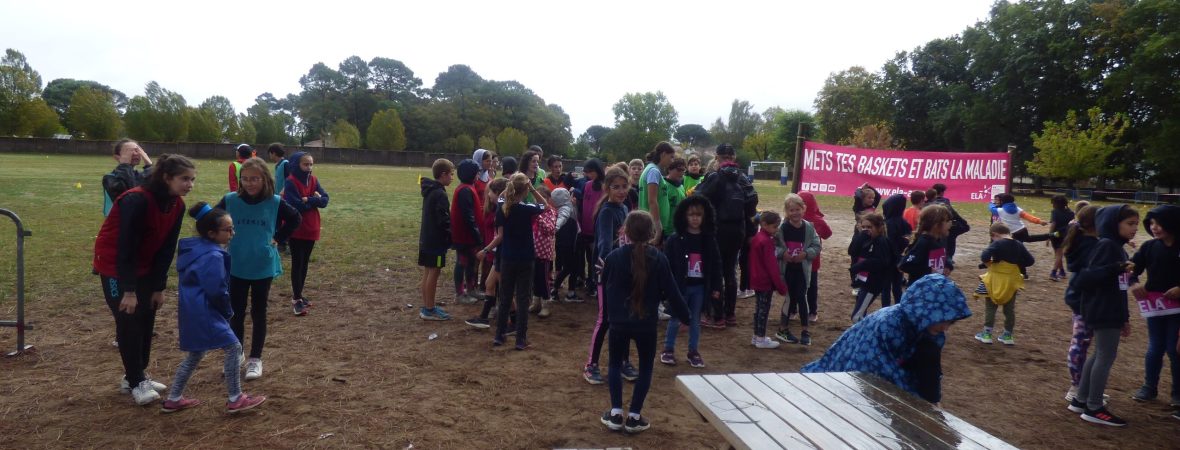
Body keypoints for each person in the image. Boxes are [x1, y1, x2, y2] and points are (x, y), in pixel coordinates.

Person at [93, 154, 194, 405]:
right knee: (129, 320)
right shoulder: (136, 200)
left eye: (192, 179)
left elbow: (167, 248)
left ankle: (136, 376)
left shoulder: (177, 205)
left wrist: (159, 287)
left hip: (146, 266)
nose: (190, 185)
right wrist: (129, 291)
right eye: (184, 179)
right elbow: (126, 247)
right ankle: (137, 380)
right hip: (115, 266)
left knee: (147, 315)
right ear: (166, 177)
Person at [802, 274, 972, 405]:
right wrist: (917, 404)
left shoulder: (929, 330)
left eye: (950, 322)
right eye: (943, 320)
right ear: (927, 311)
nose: (945, 327)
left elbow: (929, 371)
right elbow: (876, 373)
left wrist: (932, 400)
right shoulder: (890, 325)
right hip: (852, 368)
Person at [162, 203, 266, 414]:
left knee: (196, 354)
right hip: (206, 312)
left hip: (192, 310)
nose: (232, 233)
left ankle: (173, 398)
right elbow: (217, 290)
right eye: (228, 230)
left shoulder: (196, 249)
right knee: (234, 348)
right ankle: (236, 398)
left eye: (232, 228)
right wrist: (227, 311)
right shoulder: (213, 256)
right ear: (211, 233)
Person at [599, 211, 690, 434]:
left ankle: (616, 412)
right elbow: (672, 292)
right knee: (646, 368)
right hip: (646, 323)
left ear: (626, 231)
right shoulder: (659, 259)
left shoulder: (613, 257)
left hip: (619, 322)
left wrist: (608, 316)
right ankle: (634, 416)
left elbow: (603, 286)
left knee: (614, 364)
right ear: (652, 233)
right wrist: (687, 317)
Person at [214, 157, 300, 381]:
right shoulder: (230, 200)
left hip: (262, 265)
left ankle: (255, 359)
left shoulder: (274, 202)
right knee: (236, 312)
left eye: (255, 179)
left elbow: (295, 218)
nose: (249, 183)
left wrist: (278, 238)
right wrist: (220, 237)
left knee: (259, 311)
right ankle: (236, 354)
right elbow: (211, 219)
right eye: (245, 179)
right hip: (237, 264)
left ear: (264, 179)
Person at [1068, 204, 1139, 426]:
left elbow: (1120, 286)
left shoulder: (1116, 247)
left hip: (1108, 308)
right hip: (1104, 308)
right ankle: (1094, 407)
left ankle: (1081, 399)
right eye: (1130, 223)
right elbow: (1085, 278)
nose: (1134, 228)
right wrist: (1116, 267)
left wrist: (1124, 317)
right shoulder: (1108, 246)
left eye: (1136, 224)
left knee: (1099, 353)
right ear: (1113, 223)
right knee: (1105, 356)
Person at [694, 143, 757, 329]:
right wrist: (749, 230)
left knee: (715, 271)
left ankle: (716, 315)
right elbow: (752, 204)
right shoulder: (742, 178)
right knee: (730, 271)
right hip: (738, 231)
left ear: (717, 157)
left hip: (717, 230)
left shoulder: (714, 176)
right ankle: (730, 314)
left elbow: (697, 197)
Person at [584, 167, 637, 384]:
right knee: (605, 319)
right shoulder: (606, 212)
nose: (621, 191)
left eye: (624, 186)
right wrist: (607, 269)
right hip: (606, 272)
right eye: (616, 187)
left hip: (624, 271)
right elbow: (605, 245)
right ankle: (591, 365)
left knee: (624, 319)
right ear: (607, 188)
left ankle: (623, 361)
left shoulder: (624, 208)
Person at [1128, 205, 1180, 405]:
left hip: (1177, 309)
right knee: (1155, 347)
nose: (1154, 227)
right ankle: (1149, 387)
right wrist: (1134, 283)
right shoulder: (1149, 247)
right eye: (1151, 223)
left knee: (1174, 349)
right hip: (1155, 308)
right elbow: (1131, 269)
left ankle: (1177, 393)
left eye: (1159, 223)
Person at [660, 196, 721, 367]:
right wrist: (666, 288)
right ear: (683, 216)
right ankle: (668, 349)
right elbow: (667, 264)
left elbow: (716, 264)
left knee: (695, 321)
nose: (695, 218)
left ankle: (693, 351)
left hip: (700, 287)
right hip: (679, 287)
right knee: (675, 318)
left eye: (699, 215)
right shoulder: (675, 239)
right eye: (691, 215)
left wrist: (716, 287)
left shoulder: (709, 239)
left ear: (705, 216)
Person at [494, 173, 550, 350]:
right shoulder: (527, 209)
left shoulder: (503, 207)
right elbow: (545, 205)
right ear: (526, 189)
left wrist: (510, 185)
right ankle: (520, 339)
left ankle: (499, 335)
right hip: (525, 258)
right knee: (523, 298)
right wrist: (533, 189)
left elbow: (501, 197)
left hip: (507, 257)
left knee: (505, 297)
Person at [283, 152, 329, 316]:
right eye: (305, 164)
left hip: (312, 227)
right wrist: (314, 200)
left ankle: (300, 294)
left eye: (311, 164)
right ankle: (296, 299)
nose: (309, 167)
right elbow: (295, 205)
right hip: (297, 228)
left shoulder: (314, 180)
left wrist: (308, 199)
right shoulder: (290, 182)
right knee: (297, 263)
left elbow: (325, 200)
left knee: (305, 263)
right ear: (297, 164)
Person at [973, 223, 1035, 345]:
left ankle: (987, 334)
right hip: (1012, 280)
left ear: (994, 234)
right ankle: (1008, 336)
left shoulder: (997, 243)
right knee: (1009, 309)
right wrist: (1015, 264)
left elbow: (984, 256)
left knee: (991, 306)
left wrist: (989, 263)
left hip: (995, 279)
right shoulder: (1018, 244)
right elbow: (1030, 261)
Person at [1063, 205, 1101, 403]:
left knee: (1081, 342)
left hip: (1079, 298)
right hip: (1084, 300)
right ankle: (1077, 387)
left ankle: (1082, 385)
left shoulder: (1081, 240)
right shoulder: (1091, 245)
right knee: (1080, 343)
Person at [775, 194, 820, 345]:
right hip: (787, 270)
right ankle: (783, 329)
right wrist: (782, 254)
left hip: (802, 270)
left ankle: (805, 331)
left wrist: (806, 254)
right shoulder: (782, 228)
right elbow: (774, 246)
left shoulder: (809, 228)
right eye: (791, 210)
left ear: (803, 209)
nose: (795, 213)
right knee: (789, 298)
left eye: (797, 209)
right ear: (786, 212)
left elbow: (816, 245)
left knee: (802, 297)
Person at [467, 178, 508, 329]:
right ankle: (483, 318)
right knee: (490, 284)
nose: (488, 194)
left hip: (503, 254)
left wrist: (485, 250)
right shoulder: (499, 208)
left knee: (505, 290)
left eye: (490, 192)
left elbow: (500, 237)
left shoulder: (502, 211)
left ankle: (514, 321)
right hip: (499, 254)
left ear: (498, 193)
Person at [418, 159, 454, 320]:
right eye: (451, 174)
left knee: (428, 271)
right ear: (443, 174)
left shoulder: (430, 190)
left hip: (427, 239)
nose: (452, 178)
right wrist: (450, 236)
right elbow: (443, 220)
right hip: (436, 242)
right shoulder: (440, 194)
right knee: (434, 271)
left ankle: (427, 305)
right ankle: (429, 309)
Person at [848, 213, 895, 323]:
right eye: (863, 227)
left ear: (879, 228)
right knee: (861, 311)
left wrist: (861, 265)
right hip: (863, 281)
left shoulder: (881, 241)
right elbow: (852, 251)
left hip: (872, 283)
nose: (866, 230)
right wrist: (860, 236)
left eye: (869, 227)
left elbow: (882, 262)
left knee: (857, 316)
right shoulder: (865, 239)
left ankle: (865, 332)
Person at [749, 211, 786, 349]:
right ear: (765, 224)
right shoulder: (767, 241)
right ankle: (760, 338)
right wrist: (780, 286)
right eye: (775, 227)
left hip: (756, 279)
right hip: (765, 282)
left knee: (759, 309)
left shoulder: (758, 238)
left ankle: (756, 336)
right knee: (763, 311)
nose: (776, 230)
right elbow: (772, 266)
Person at [794, 192, 832, 324]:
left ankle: (793, 310)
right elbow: (828, 234)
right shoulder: (818, 220)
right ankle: (812, 312)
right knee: (811, 287)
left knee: (795, 285)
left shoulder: (792, 218)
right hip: (811, 261)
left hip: (797, 259)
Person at [450, 159, 483, 306]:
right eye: (476, 173)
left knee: (471, 262)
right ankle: (460, 293)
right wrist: (477, 235)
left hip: (469, 235)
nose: (478, 176)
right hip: (464, 236)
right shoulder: (464, 190)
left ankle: (471, 289)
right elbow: (468, 216)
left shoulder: (469, 188)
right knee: (462, 262)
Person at [573, 159, 606, 296]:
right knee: (582, 255)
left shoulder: (605, 187)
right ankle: (583, 279)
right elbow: (582, 204)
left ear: (598, 170)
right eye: (587, 172)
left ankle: (594, 282)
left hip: (597, 229)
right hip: (584, 226)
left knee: (594, 258)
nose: (588, 175)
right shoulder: (587, 185)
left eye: (591, 172)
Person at [899, 204, 953, 284]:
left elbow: (941, 261)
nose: (950, 224)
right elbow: (905, 265)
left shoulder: (938, 241)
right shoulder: (924, 242)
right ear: (936, 225)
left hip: (934, 287)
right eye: (947, 221)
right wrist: (928, 270)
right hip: (920, 289)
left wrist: (947, 264)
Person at [102, 139, 153, 216]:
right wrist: (124, 165)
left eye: (137, 150)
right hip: (120, 221)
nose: (135, 153)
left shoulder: (142, 175)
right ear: (117, 157)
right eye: (128, 151)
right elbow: (131, 196)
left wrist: (149, 166)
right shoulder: (110, 178)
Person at [638, 142, 675, 242]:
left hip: (650, 223)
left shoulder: (651, 169)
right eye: (671, 157)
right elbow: (652, 200)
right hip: (652, 226)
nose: (672, 161)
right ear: (663, 154)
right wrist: (658, 227)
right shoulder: (653, 171)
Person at [881, 193, 913, 308]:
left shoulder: (887, 224)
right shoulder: (905, 224)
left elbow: (890, 243)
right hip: (899, 259)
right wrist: (901, 258)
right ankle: (899, 307)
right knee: (897, 286)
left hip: (888, 260)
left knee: (886, 287)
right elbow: (908, 241)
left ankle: (886, 309)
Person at [530, 185, 557, 318]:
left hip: (544, 252)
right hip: (532, 250)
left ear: (548, 199)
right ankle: (536, 302)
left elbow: (549, 229)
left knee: (543, 278)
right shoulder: (532, 211)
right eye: (537, 198)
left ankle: (546, 303)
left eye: (543, 198)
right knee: (535, 278)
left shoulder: (550, 212)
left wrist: (538, 217)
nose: (540, 201)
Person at [550, 187, 580, 302]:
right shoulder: (565, 208)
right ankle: (563, 292)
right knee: (570, 268)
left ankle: (559, 291)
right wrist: (556, 227)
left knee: (571, 267)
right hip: (569, 244)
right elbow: (563, 216)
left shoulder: (564, 206)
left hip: (565, 243)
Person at [928, 183, 969, 262]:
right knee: (950, 237)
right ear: (942, 192)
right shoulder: (945, 201)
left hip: (931, 227)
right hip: (942, 226)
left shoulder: (928, 202)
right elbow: (953, 213)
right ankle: (948, 257)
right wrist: (963, 222)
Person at [1048, 195, 1075, 281]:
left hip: (1055, 234)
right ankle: (1062, 272)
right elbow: (1072, 225)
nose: (1052, 205)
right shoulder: (1071, 213)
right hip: (1065, 235)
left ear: (1057, 204)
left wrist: (1049, 235)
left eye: (1053, 203)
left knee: (1058, 254)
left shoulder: (1055, 212)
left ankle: (1053, 273)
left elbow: (1053, 224)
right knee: (1058, 254)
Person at [660, 157, 687, 239]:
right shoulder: (663, 185)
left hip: (679, 229)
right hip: (665, 230)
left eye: (683, 170)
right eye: (678, 170)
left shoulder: (681, 186)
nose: (681, 173)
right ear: (669, 169)